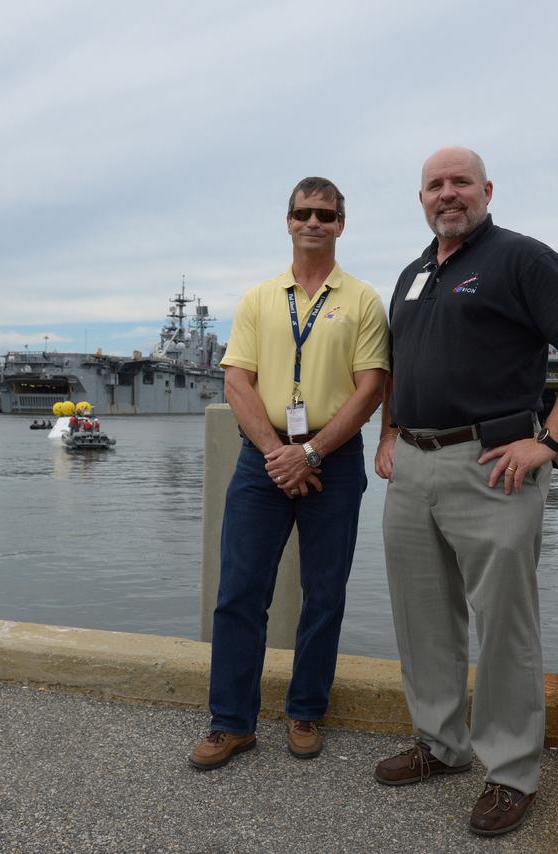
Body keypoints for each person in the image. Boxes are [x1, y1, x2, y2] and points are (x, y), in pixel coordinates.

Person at [373, 147, 558, 837]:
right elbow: (398, 362)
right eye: (435, 184)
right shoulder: (414, 273)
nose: (447, 194)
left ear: (486, 190)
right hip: (413, 465)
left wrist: (549, 437)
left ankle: (511, 770)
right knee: (423, 617)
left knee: (503, 624)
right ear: (421, 197)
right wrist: (388, 433)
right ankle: (441, 744)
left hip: (491, 465)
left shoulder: (519, 258)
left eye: (460, 183)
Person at [189, 177, 389, 770]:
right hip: (264, 459)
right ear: (287, 221)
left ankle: (305, 709)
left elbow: (371, 387)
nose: (313, 223)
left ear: (340, 225)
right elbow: (237, 380)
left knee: (324, 595)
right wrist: (280, 452)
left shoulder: (362, 300)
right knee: (239, 593)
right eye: (303, 213)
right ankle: (231, 722)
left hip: (335, 456)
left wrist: (314, 453)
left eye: (325, 214)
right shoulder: (258, 299)